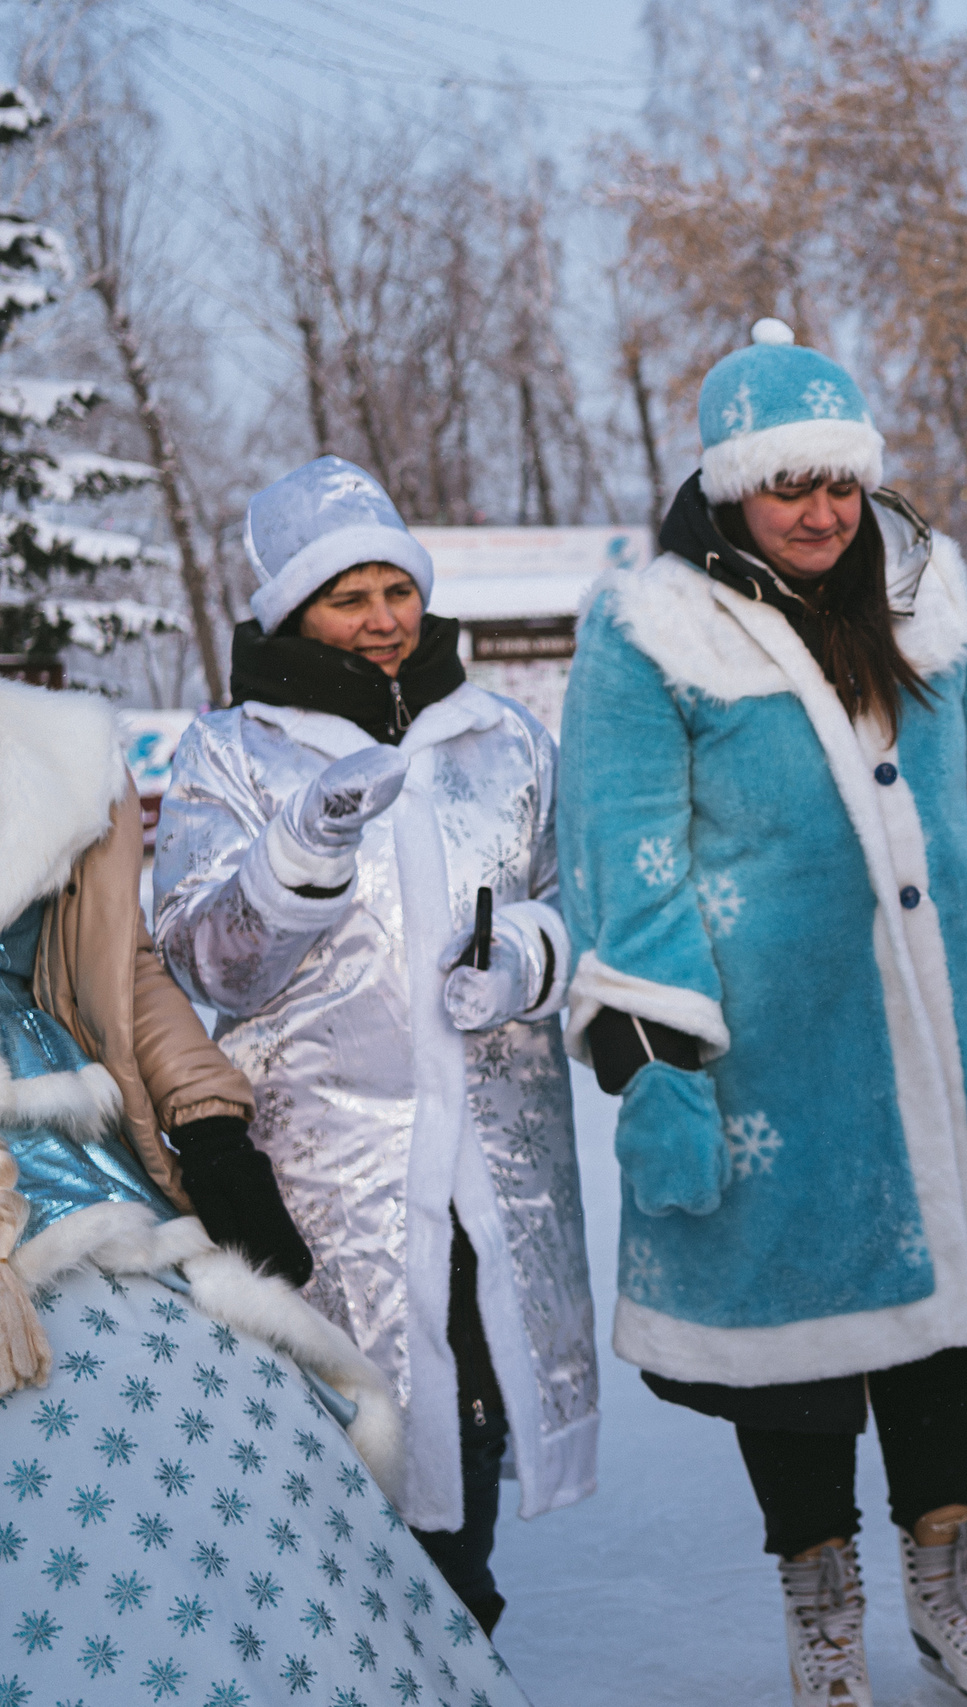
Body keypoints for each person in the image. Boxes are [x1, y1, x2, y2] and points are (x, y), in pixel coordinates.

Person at [557, 320, 967, 1707]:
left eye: (842, 479)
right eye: (794, 485)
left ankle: (950, 1589)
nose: (826, 509)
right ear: (731, 486)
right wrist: (659, 1052)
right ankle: (822, 1606)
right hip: (779, 1052)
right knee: (801, 1364)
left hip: (947, 1035)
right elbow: (623, 839)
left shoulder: (931, 596)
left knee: (945, 1337)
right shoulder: (656, 626)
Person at [1, 675, 527, 1705]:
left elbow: (127, 969)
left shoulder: (54, 749)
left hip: (79, 1148)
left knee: (217, 1447)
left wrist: (208, 1121)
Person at [154, 456, 598, 1634]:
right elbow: (206, 962)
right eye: (348, 600)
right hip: (334, 1163)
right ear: (293, 613)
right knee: (361, 1410)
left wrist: (528, 964)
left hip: (495, 1157)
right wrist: (296, 855)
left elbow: (577, 900)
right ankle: (405, 1636)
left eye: (394, 591)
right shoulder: (231, 755)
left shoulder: (501, 736)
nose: (383, 621)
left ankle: (457, 1625)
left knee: (478, 1388)